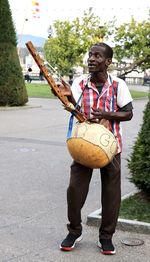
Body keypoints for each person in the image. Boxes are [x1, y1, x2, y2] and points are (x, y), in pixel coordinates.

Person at [58, 43, 133, 255]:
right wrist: (68, 98)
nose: (91, 59)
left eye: (97, 56)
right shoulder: (80, 83)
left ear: (108, 62)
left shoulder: (118, 85)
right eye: (90, 54)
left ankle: (106, 237)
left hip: (111, 147)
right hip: (84, 145)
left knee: (111, 194)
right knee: (75, 189)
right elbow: (76, 112)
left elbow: (128, 113)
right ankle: (74, 231)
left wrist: (107, 114)